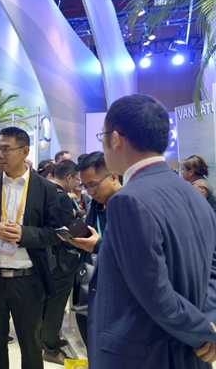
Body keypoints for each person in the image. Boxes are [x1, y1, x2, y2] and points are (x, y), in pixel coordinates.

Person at [90, 94, 216, 368]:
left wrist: (205, 334)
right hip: (190, 355)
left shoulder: (128, 200)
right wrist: (209, 323)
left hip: (143, 355)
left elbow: (155, 292)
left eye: (102, 136)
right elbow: (211, 270)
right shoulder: (195, 196)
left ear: (115, 139)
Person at [0, 126, 61, 369]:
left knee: (31, 349)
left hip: (28, 281)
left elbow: (54, 232)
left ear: (25, 151)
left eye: (6, 149)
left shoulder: (46, 188)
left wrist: (25, 234)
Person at [62, 151, 121, 347]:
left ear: (113, 176)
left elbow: (129, 254)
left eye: (93, 185)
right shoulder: (96, 205)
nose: (89, 191)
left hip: (116, 290)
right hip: (91, 279)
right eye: (85, 186)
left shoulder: (127, 205)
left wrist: (97, 245)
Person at [41, 160, 79, 365]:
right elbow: (69, 228)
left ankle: (45, 340)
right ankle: (51, 348)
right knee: (56, 305)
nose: (76, 184)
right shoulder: (62, 196)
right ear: (69, 177)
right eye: (76, 180)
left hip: (45, 256)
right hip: (61, 259)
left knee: (47, 302)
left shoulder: (43, 190)